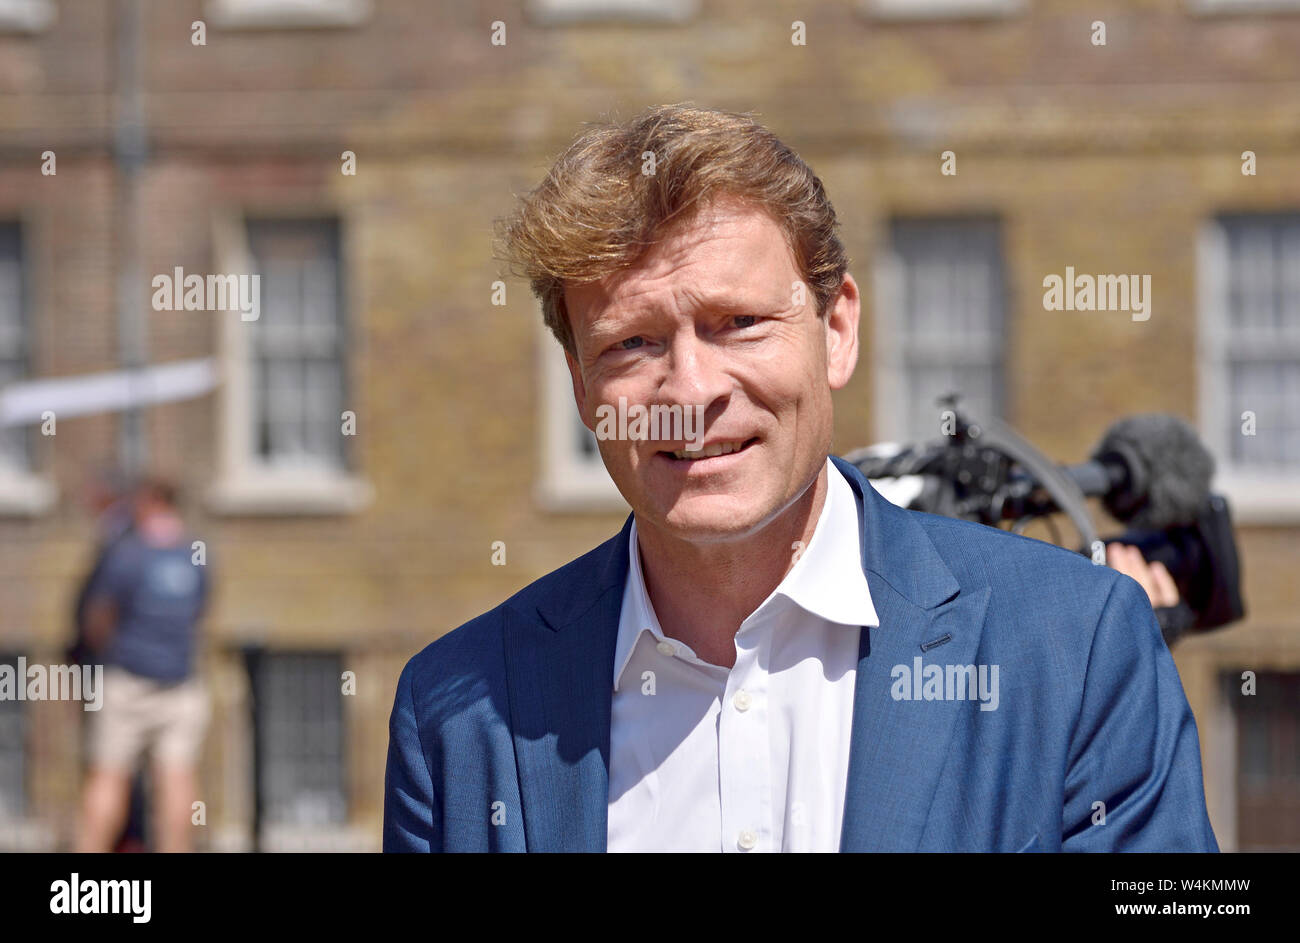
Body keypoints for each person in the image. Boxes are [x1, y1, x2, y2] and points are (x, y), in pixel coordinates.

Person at [383, 103, 1218, 852]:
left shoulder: (1074, 646)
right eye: (631, 343)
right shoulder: (458, 716)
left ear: (838, 328)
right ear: (579, 386)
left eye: (738, 323)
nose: (692, 391)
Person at [76, 478, 211, 853]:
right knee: (177, 778)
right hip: (180, 683)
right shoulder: (196, 553)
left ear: (149, 503)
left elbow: (97, 619)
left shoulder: (126, 552)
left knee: (107, 777)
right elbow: (200, 610)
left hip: (126, 681)